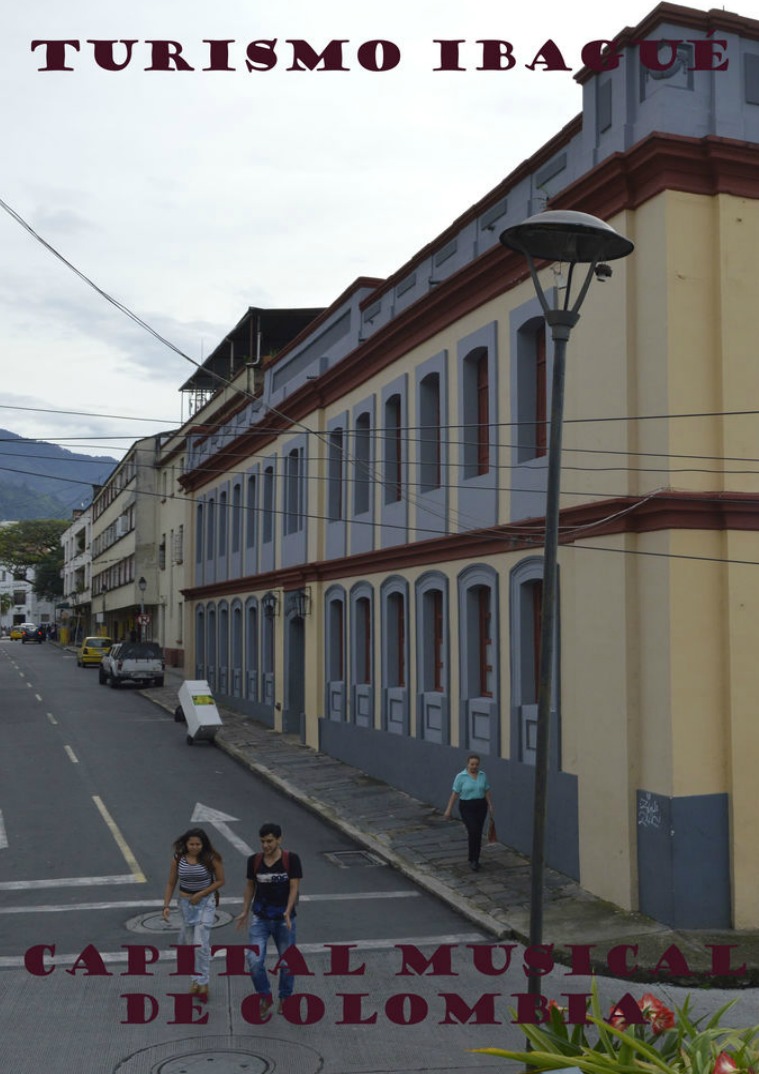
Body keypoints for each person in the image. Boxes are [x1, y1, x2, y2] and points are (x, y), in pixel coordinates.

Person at [235, 822, 303, 1016]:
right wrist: (245, 911)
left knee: (288, 963)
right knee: (254, 961)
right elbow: (250, 886)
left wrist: (288, 911)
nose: (266, 845)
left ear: (279, 840)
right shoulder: (254, 861)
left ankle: (285, 997)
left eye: (270, 841)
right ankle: (265, 996)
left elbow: (294, 887)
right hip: (261, 918)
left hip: (283, 919)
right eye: (263, 841)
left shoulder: (292, 859)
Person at [162, 827, 225, 1001]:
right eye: (192, 844)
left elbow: (220, 880)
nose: (195, 847)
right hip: (185, 905)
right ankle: (195, 980)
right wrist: (166, 905)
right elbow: (171, 883)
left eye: (198, 844)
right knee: (190, 945)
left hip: (206, 903)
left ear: (203, 844)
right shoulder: (178, 858)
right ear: (186, 844)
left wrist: (201, 894)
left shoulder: (211, 858)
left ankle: (203, 982)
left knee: (201, 941)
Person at [443, 753, 494, 871]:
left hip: (481, 805)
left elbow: (486, 790)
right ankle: (472, 858)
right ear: (467, 764)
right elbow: (455, 794)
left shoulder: (482, 775)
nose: (474, 766)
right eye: (472, 764)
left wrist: (490, 805)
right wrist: (448, 810)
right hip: (467, 806)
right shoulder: (461, 777)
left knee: (478, 832)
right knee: (473, 830)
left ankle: (475, 859)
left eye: (476, 764)